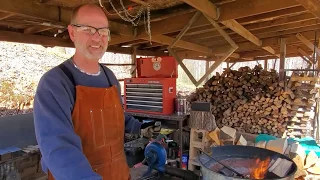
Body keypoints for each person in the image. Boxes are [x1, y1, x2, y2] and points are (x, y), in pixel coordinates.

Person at [33, 3, 158, 180]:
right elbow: (58, 149)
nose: (97, 38)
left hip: (119, 174)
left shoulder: (110, 78)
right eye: (88, 30)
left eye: (103, 31)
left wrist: (140, 127)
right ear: (72, 33)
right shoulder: (55, 83)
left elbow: (115, 118)